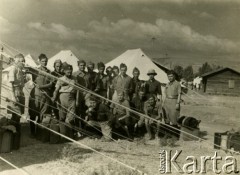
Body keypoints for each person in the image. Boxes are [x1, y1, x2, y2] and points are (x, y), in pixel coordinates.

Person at [52, 64, 77, 138]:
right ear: (64, 71)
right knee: (62, 117)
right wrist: (54, 98)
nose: (69, 73)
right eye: (68, 71)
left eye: (71, 71)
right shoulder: (61, 79)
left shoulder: (74, 79)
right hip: (62, 98)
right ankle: (63, 134)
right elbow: (56, 90)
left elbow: (78, 90)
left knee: (71, 117)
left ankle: (70, 135)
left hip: (72, 98)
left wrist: (77, 100)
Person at [7, 54, 25, 138]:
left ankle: (16, 135)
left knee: (19, 114)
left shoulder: (20, 70)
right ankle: (12, 135)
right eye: (20, 61)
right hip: (15, 92)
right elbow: (10, 84)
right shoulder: (13, 69)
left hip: (20, 92)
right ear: (16, 60)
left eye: (23, 61)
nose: (22, 62)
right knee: (15, 114)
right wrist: (13, 97)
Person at [34, 54, 52, 123]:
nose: (45, 63)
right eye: (43, 61)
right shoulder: (36, 70)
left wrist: (41, 86)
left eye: (46, 61)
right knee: (36, 111)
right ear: (40, 62)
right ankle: (34, 131)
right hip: (38, 94)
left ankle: (41, 128)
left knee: (44, 112)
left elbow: (50, 84)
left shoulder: (49, 72)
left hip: (46, 94)